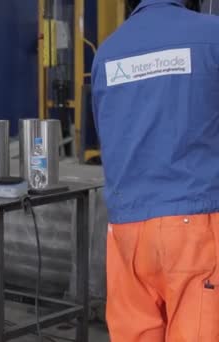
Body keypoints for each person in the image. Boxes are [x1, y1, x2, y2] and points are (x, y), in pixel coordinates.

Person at [91, 0, 219, 340]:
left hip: (126, 232)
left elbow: (106, 131)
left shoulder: (108, 51)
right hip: (193, 226)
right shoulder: (212, 35)